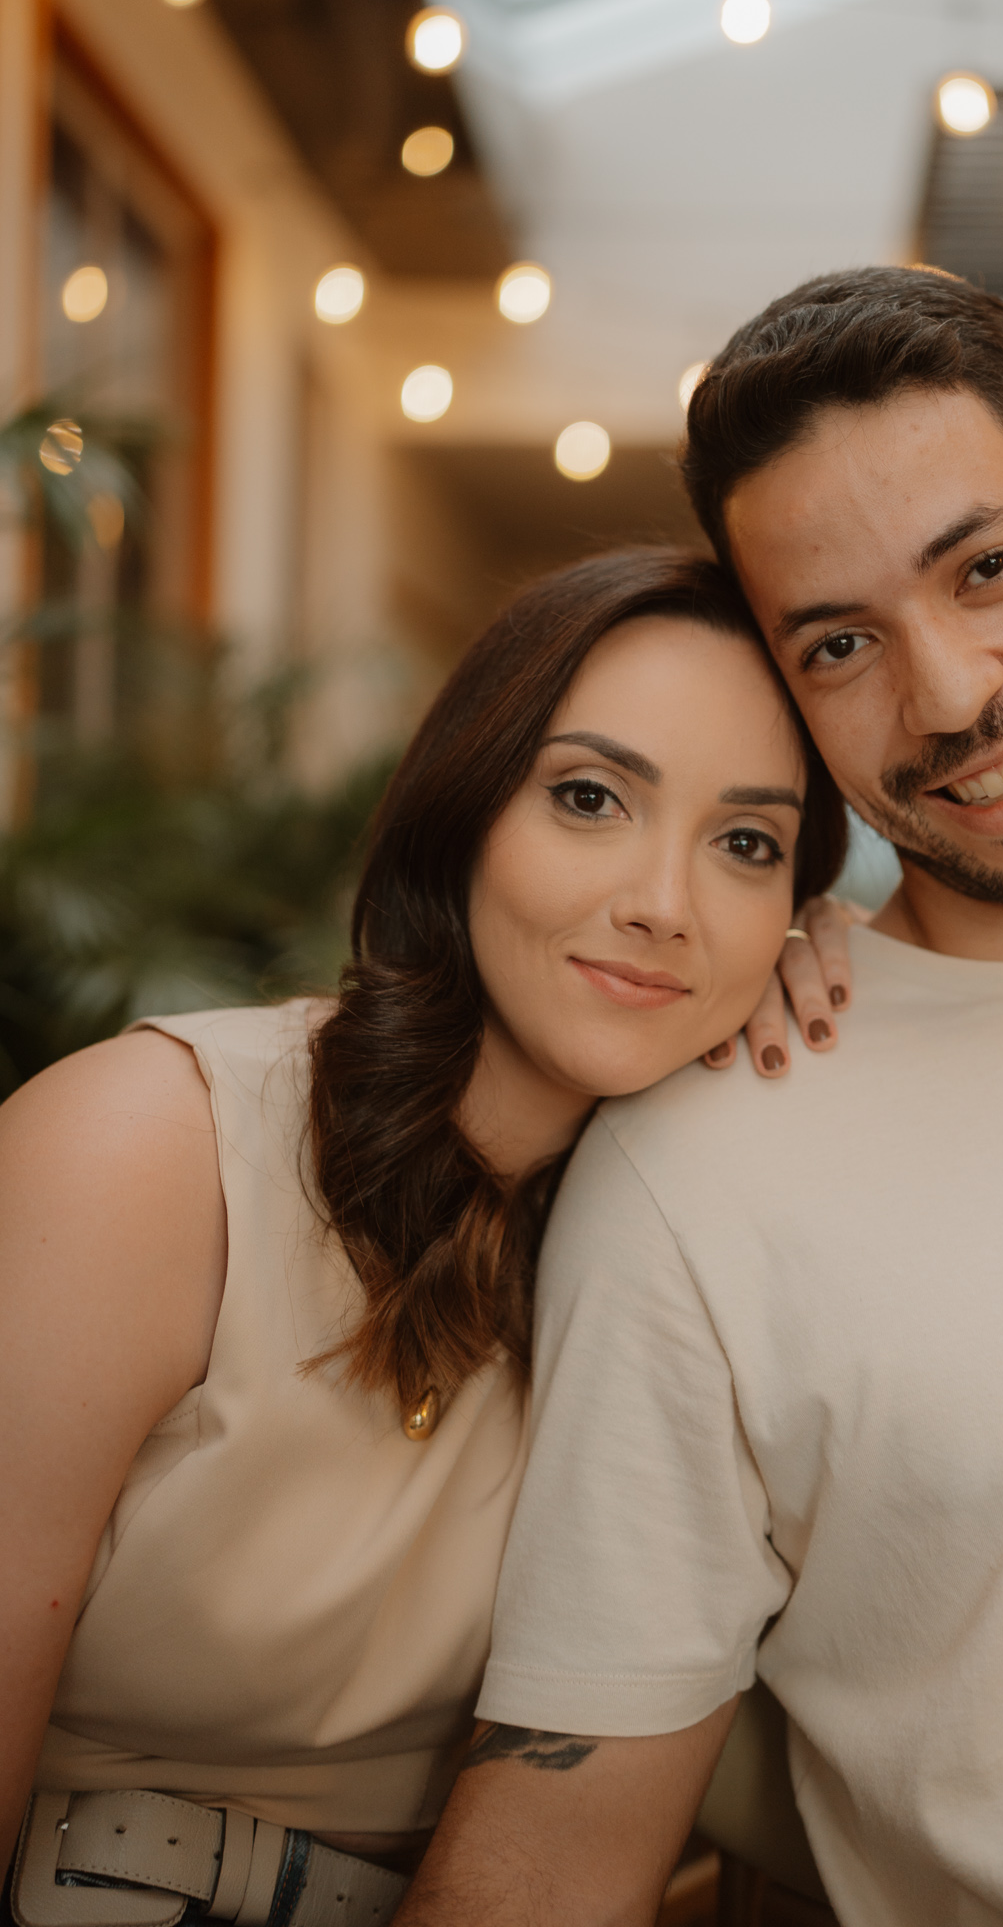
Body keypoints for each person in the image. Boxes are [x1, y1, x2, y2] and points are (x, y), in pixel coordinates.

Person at [396, 266, 1003, 1927]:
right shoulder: (708, 1159)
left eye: (987, 568)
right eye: (839, 644)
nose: (952, 695)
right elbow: (556, 1852)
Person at [0, 550, 855, 1927]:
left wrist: (871, 1027)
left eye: (746, 845)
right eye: (590, 798)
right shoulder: (148, 1154)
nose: (665, 903)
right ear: (461, 810)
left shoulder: (698, 1246)